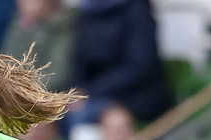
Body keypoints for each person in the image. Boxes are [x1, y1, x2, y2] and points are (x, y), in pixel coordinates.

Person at [67, 0, 173, 130]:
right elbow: (79, 60)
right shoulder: (87, 13)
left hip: (138, 94)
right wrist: (76, 90)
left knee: (87, 118)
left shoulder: (137, 9)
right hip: (96, 93)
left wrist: (91, 91)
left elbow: (140, 66)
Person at [2, 0, 75, 93]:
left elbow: (57, 75)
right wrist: (25, 29)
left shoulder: (64, 27)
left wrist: (23, 90)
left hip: (45, 94)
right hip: (19, 92)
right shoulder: (21, 25)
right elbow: (8, 62)